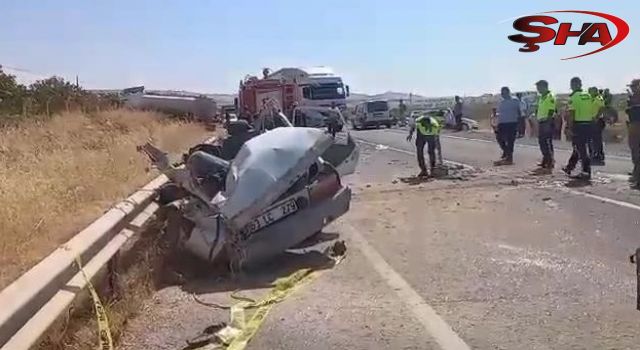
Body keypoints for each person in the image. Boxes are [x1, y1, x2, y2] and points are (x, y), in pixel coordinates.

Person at [562, 77, 595, 180]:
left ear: (573, 85)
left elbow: (572, 114)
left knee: (581, 149)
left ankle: (586, 171)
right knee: (579, 147)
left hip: (579, 124)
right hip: (589, 124)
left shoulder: (574, 97)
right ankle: (570, 167)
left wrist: (569, 128)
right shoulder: (588, 95)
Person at [532, 80, 557, 174]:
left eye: (539, 87)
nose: (538, 89)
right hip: (542, 121)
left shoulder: (549, 96)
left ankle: (549, 161)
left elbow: (551, 110)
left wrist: (549, 121)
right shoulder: (541, 97)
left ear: (544, 87)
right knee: (544, 142)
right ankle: (546, 160)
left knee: (545, 142)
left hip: (547, 121)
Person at [407, 113, 441, 177]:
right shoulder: (419, 122)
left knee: (431, 152)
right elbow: (413, 126)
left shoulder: (434, 124)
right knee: (419, 152)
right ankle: (423, 170)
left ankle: (432, 170)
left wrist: (436, 144)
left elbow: (437, 135)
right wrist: (410, 134)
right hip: (421, 135)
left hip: (431, 135)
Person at [494, 87, 521, 165]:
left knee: (510, 141)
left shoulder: (515, 101)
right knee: (499, 138)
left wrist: (520, 125)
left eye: (504, 93)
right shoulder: (501, 102)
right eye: (502, 93)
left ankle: (509, 159)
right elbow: (499, 113)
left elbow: (519, 112)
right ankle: (506, 152)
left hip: (512, 123)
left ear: (508, 92)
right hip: (502, 123)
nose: (503, 94)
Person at [626, 79, 640, 189]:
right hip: (633, 124)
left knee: (636, 150)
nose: (632, 88)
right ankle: (636, 172)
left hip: (637, 125)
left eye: (634, 86)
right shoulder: (633, 97)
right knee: (634, 149)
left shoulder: (636, 97)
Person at [588, 87, 606, 165]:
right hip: (590, 120)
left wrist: (596, 117)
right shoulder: (590, 99)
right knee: (591, 139)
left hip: (597, 120)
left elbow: (602, 108)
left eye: (592, 91)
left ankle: (599, 155)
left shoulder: (599, 98)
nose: (590, 92)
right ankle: (593, 154)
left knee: (597, 139)